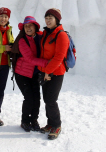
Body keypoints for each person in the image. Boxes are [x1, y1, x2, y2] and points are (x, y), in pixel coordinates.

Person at [13, 16, 49, 132]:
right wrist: (47, 63)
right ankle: (25, 121)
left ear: (35, 26)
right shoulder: (22, 40)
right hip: (22, 74)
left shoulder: (40, 36)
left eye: (30, 25)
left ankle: (34, 119)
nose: (28, 28)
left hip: (34, 73)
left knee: (37, 98)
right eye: (26, 26)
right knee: (29, 98)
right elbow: (29, 58)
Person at [38, 8, 69, 140]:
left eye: (51, 17)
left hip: (56, 72)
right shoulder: (47, 33)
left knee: (51, 99)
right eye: (46, 17)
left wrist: (47, 71)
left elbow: (59, 57)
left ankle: (56, 125)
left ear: (57, 20)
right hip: (46, 71)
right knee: (46, 99)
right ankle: (50, 124)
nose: (48, 20)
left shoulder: (61, 35)